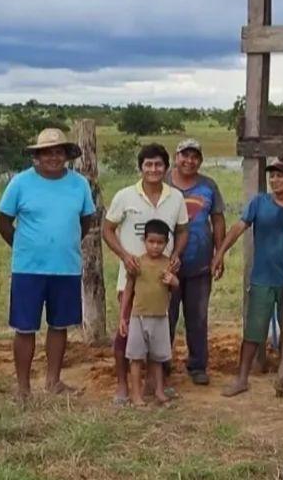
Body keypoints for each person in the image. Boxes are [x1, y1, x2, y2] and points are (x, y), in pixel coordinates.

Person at [0, 128, 96, 403]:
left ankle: (53, 381)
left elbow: (85, 222)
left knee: (59, 325)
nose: (53, 157)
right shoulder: (20, 183)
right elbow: (3, 222)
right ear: (36, 156)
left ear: (66, 155)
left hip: (66, 267)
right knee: (25, 327)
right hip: (28, 268)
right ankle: (23, 387)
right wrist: (24, 246)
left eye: (58, 151)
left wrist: (64, 243)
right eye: (47, 152)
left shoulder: (79, 184)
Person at [212, 157, 283, 397]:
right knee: (253, 331)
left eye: (280, 175)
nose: (274, 180)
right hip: (262, 278)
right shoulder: (259, 203)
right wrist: (220, 254)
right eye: (272, 175)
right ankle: (242, 379)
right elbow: (238, 228)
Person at [102, 142, 189, 406]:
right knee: (126, 331)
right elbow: (108, 229)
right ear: (140, 167)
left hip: (161, 280)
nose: (153, 169)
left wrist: (176, 255)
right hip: (132, 276)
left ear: (166, 167)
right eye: (148, 164)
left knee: (157, 331)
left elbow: (183, 231)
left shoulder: (175, 197)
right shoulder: (125, 196)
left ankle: (154, 385)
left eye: (158, 164)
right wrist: (125, 256)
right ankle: (122, 386)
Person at [166, 138, 226, 386]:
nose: (189, 161)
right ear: (175, 156)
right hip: (166, 264)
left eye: (194, 157)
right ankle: (161, 362)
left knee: (197, 317)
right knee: (164, 316)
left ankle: (198, 365)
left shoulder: (208, 185)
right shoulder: (163, 182)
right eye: (184, 156)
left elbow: (218, 220)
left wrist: (219, 253)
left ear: (200, 160)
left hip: (200, 264)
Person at [118, 218, 179, 407]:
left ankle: (159, 391)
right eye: (151, 242)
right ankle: (136, 395)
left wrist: (173, 281)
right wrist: (123, 316)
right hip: (138, 316)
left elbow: (176, 286)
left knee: (158, 357)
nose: (155, 246)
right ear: (144, 241)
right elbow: (128, 288)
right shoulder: (137, 263)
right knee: (136, 358)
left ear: (166, 244)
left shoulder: (169, 264)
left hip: (161, 316)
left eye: (160, 243)